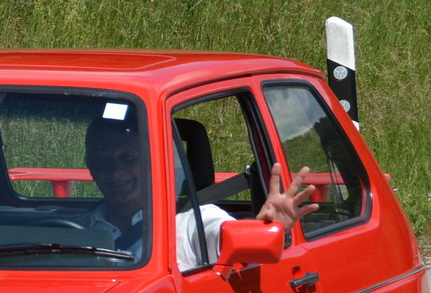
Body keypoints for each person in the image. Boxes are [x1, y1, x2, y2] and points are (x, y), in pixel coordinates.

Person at [81, 115, 318, 270]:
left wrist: (264, 228)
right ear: (90, 167)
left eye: (128, 158)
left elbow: (230, 244)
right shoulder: (78, 227)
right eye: (102, 162)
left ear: (153, 162)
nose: (115, 171)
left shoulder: (194, 221)